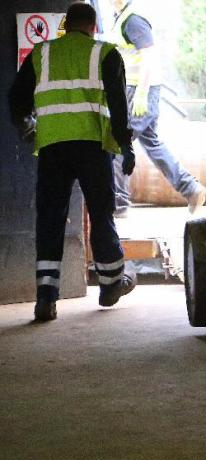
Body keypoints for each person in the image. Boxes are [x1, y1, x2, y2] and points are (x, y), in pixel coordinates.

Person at [8, 3, 137, 322]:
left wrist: (28, 129)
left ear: (65, 25)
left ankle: (46, 298)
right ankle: (110, 284)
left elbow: (16, 99)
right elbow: (119, 106)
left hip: (52, 147)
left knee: (50, 218)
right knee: (101, 212)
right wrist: (126, 147)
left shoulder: (41, 54)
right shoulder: (105, 54)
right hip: (92, 145)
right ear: (93, 27)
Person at [109, 0, 205, 216]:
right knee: (151, 142)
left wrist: (141, 94)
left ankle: (119, 204)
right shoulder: (122, 17)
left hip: (139, 92)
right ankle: (191, 189)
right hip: (136, 91)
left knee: (116, 144)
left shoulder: (133, 19)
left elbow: (150, 57)